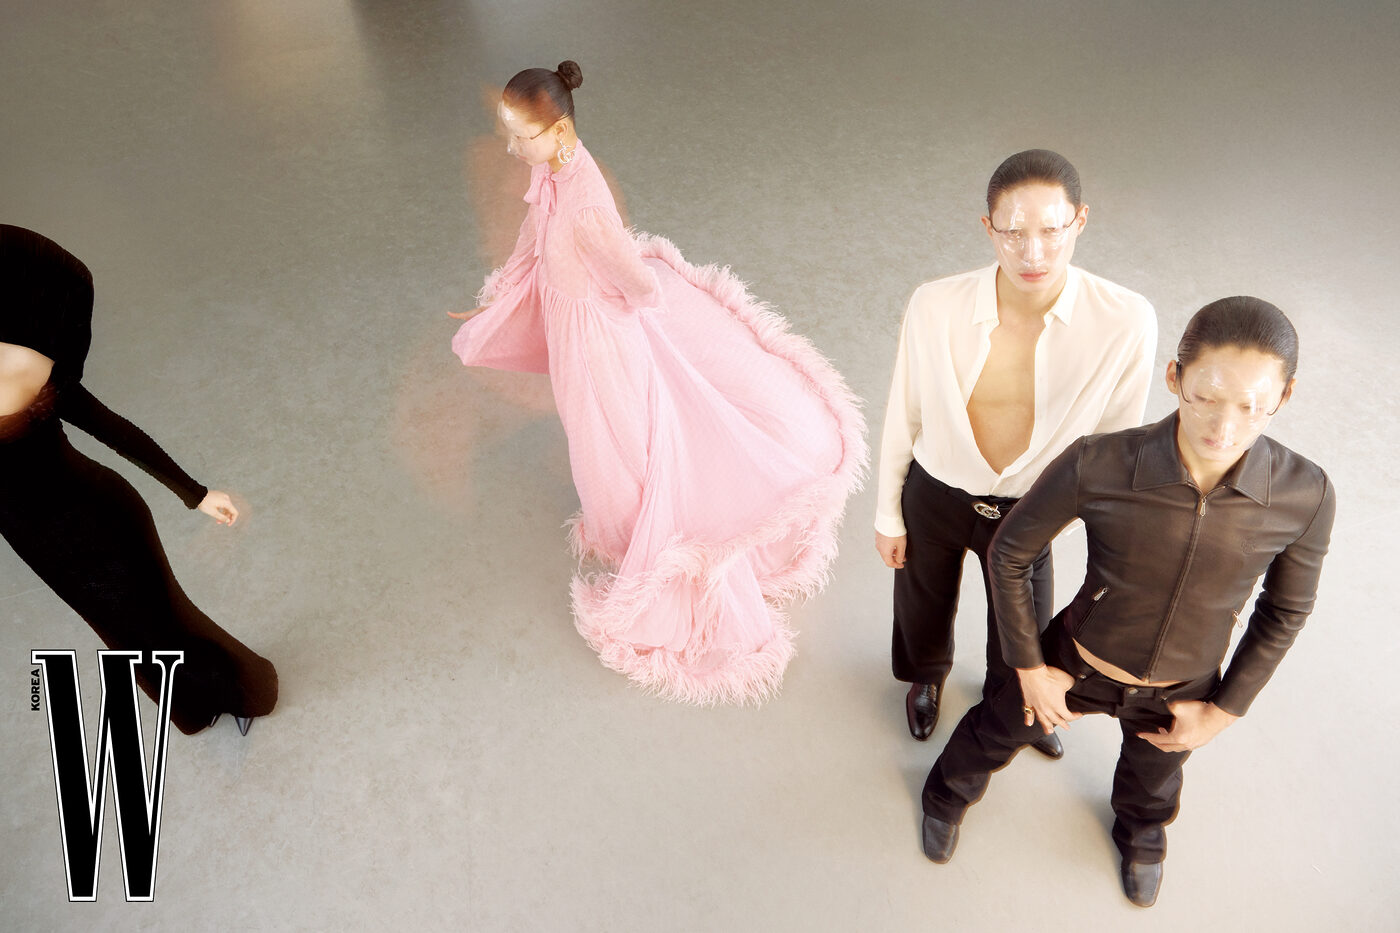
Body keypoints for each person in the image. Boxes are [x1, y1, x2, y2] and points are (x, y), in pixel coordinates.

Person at [449, 62, 866, 704]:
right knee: (593, 433)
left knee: (616, 437)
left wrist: (612, 308)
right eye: (507, 134)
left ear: (559, 132)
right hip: (574, 330)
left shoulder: (588, 205)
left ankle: (652, 538)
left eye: (521, 137)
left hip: (598, 340)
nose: (511, 148)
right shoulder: (551, 169)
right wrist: (508, 289)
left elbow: (638, 283)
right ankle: (621, 522)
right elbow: (534, 229)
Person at [918, 297, 1335, 907]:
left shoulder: (1307, 494)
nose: (1223, 427)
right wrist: (1029, 669)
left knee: (1153, 786)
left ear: (1285, 396)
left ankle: (1141, 838)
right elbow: (1008, 553)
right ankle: (943, 798)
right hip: (1075, 661)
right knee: (991, 732)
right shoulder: (1100, 462)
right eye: (1205, 397)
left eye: (1252, 407)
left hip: (1184, 686)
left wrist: (1224, 710)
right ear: (1174, 377)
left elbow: (1286, 611)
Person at [875, 150, 1156, 755]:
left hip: (1031, 507)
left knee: (1023, 628)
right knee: (921, 604)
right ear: (988, 229)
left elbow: (1116, 442)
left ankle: (1010, 707)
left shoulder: (1126, 319)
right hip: (936, 489)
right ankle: (926, 679)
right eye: (1013, 233)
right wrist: (887, 513)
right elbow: (905, 409)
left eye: (1052, 231)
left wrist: (1078, 524)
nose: (1033, 254)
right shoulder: (935, 304)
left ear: (1080, 221)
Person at [0, 224, 277, 736]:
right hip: (37, 541)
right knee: (121, 634)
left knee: (168, 619)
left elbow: (116, 431)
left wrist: (196, 495)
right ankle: (189, 708)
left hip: (102, 518)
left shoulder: (37, 369)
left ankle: (247, 691)